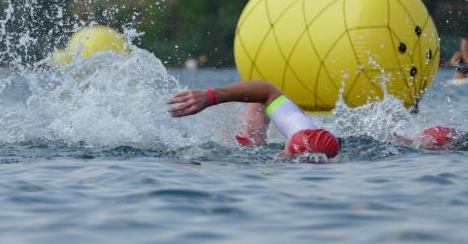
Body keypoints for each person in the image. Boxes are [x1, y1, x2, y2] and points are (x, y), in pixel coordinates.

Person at [167, 80, 461, 158]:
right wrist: (211, 96)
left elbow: (266, 92)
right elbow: (265, 92)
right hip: (334, 142)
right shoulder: (322, 142)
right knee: (404, 141)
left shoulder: (265, 155)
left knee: (247, 141)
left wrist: (210, 96)